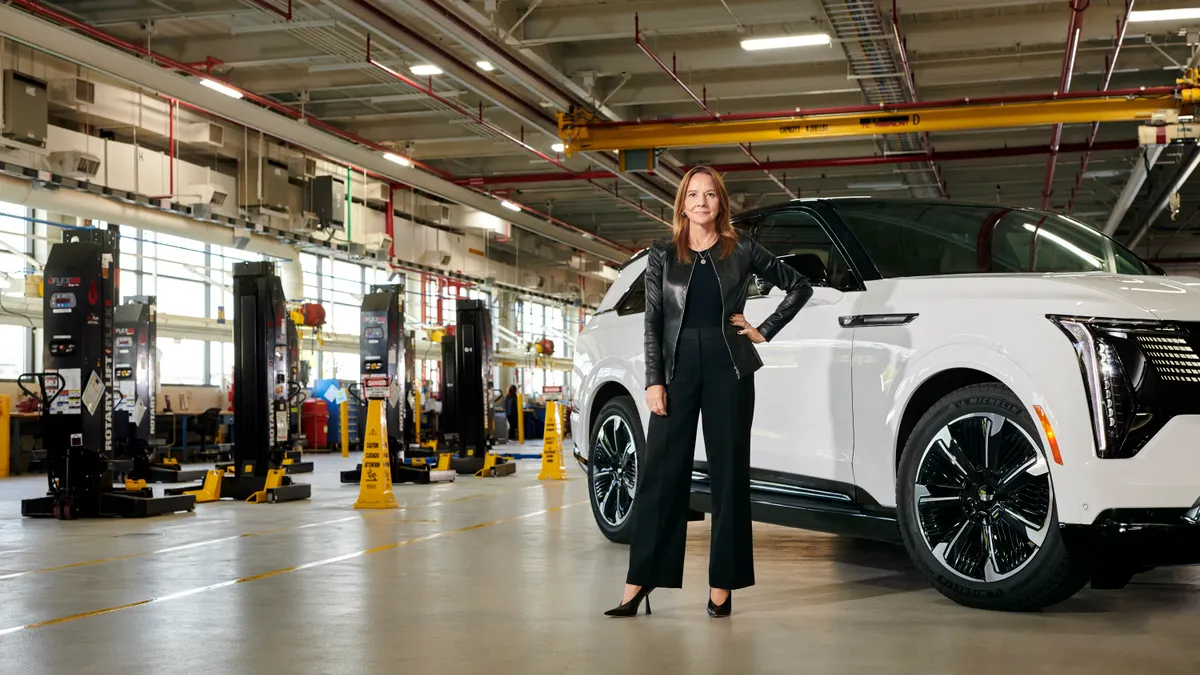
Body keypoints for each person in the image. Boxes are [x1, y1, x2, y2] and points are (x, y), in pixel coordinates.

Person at [604, 166, 812, 618]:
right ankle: (640, 581)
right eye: (693, 195)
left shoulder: (742, 249)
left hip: (728, 368)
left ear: (721, 203)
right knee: (661, 475)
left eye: (710, 194)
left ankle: (723, 586)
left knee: (729, 477)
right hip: (676, 371)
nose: (701, 202)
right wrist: (654, 380)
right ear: (682, 204)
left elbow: (799, 285)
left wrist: (764, 330)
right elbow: (653, 321)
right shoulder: (662, 253)